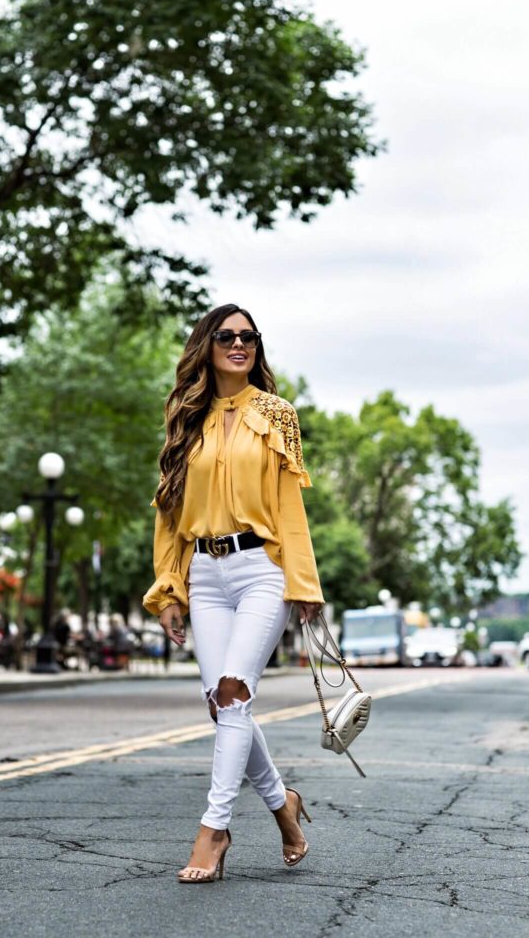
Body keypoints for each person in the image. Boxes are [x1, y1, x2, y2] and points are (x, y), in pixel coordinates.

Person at [143, 303, 324, 883]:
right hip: (205, 573)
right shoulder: (185, 421)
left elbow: (290, 505)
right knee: (224, 707)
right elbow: (168, 516)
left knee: (232, 692)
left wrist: (304, 582)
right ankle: (284, 808)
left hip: (262, 571)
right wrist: (169, 587)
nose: (239, 344)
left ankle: (214, 829)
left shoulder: (277, 414)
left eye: (249, 337)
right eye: (227, 336)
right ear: (207, 345)